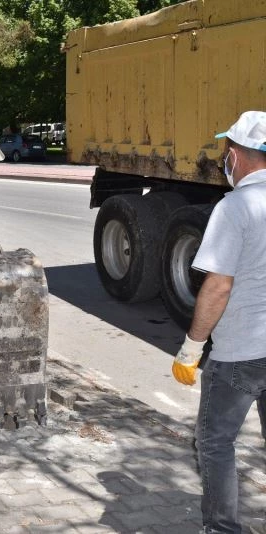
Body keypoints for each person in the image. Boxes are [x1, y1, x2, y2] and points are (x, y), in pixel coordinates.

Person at [172, 110, 266, 533]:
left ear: (238, 155)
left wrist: (192, 348)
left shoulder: (235, 207)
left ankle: (223, 529)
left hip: (239, 355)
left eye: (227, 149)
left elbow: (218, 287)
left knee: (215, 443)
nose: (224, 157)